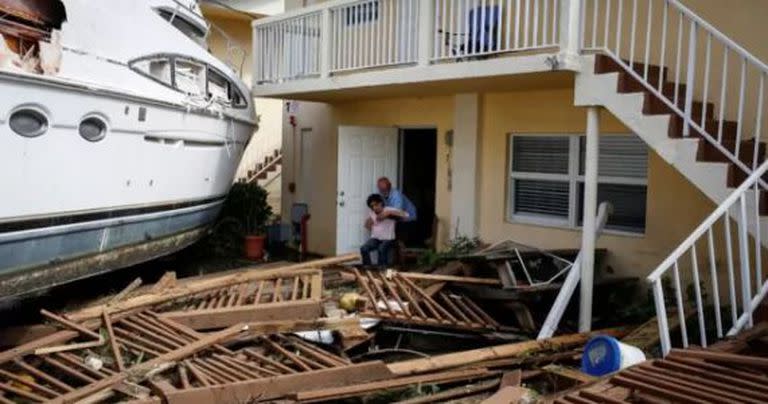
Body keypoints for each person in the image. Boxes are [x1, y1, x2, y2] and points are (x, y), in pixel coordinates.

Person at [361, 193, 409, 267]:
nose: (374, 208)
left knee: (381, 249)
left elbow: (406, 215)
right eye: (372, 206)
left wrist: (388, 213)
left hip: (388, 239)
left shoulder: (388, 210)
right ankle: (368, 268)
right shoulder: (373, 213)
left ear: (381, 203)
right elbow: (367, 225)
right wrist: (374, 230)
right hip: (376, 238)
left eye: (376, 205)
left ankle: (382, 268)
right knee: (364, 248)